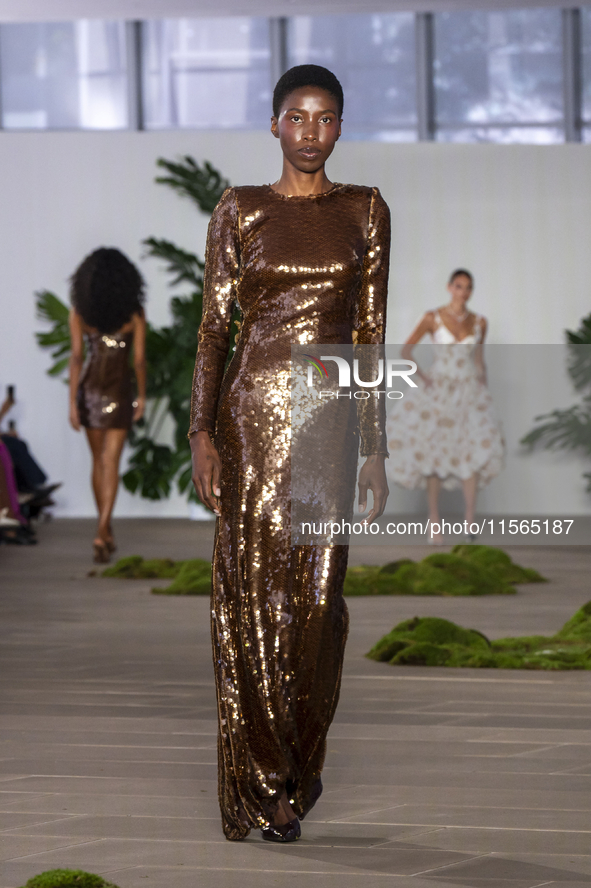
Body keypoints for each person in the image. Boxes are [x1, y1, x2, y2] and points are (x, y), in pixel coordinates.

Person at [189, 64, 390, 843]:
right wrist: (202, 433)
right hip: (246, 427)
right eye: (297, 117)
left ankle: (300, 764)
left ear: (340, 127)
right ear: (273, 125)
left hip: (328, 430)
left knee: (315, 607)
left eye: (326, 118)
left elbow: (368, 332)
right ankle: (269, 784)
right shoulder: (239, 210)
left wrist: (373, 445)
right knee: (249, 602)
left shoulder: (365, 210)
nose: (311, 131)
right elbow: (214, 330)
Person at [386, 269, 504, 543]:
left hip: (468, 390)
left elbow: (478, 360)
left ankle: (470, 522)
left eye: (468, 287)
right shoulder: (433, 317)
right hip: (439, 389)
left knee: (472, 450)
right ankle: (434, 521)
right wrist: (424, 377)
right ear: (450, 287)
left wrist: (482, 390)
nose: (463, 292)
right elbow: (406, 351)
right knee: (433, 454)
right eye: (459, 286)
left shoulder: (479, 322)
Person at [68, 247, 147, 563]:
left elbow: (76, 359)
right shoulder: (134, 315)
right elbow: (139, 361)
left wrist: (73, 402)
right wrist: (142, 396)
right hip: (119, 393)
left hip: (90, 392)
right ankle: (103, 530)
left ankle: (103, 530)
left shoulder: (80, 313)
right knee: (111, 461)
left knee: (97, 461)